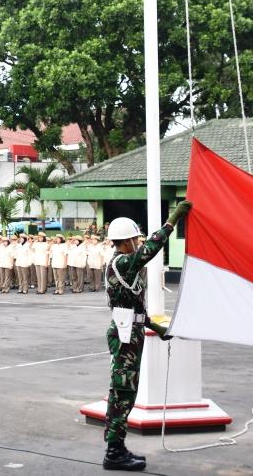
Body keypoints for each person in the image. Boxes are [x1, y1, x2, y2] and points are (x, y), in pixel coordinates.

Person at [102, 201, 191, 472]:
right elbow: (149, 251)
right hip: (125, 336)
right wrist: (172, 221)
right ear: (126, 241)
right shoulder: (122, 262)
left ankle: (117, 446)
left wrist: (155, 326)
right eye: (135, 239)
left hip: (132, 330)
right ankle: (114, 452)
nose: (138, 242)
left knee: (127, 390)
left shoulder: (126, 264)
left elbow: (132, 308)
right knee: (122, 391)